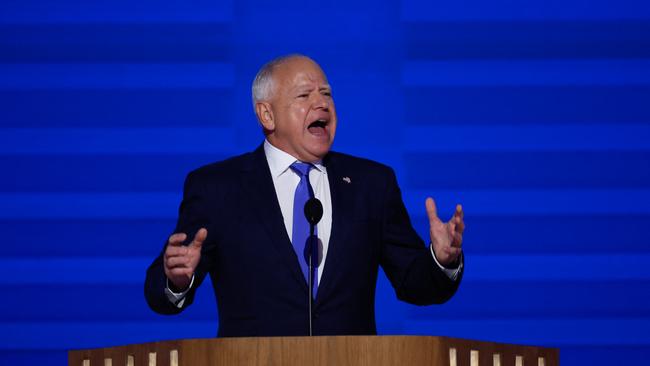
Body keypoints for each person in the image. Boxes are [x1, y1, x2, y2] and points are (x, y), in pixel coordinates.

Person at [144, 54, 465, 337]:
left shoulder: (372, 184)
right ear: (266, 115)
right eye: (304, 94)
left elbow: (417, 284)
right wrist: (177, 281)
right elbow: (160, 296)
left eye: (326, 93)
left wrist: (441, 260)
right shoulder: (217, 188)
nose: (322, 103)